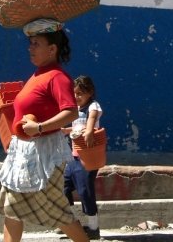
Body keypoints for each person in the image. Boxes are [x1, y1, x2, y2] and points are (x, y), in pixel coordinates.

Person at [0, 19, 90, 242]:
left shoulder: (57, 77)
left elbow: (71, 112)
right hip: (25, 153)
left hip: (42, 156)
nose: (30, 48)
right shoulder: (38, 74)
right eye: (30, 43)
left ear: (52, 49)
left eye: (36, 43)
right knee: (13, 208)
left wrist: (38, 127)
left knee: (56, 211)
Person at [59, 75, 103, 239]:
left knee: (85, 191)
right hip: (72, 157)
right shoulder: (74, 110)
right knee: (62, 189)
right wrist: (65, 131)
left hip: (87, 157)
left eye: (80, 94)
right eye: (74, 94)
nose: (76, 97)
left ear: (90, 93)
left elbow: (91, 118)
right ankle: (71, 223)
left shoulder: (93, 106)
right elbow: (77, 128)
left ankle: (93, 227)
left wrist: (90, 130)